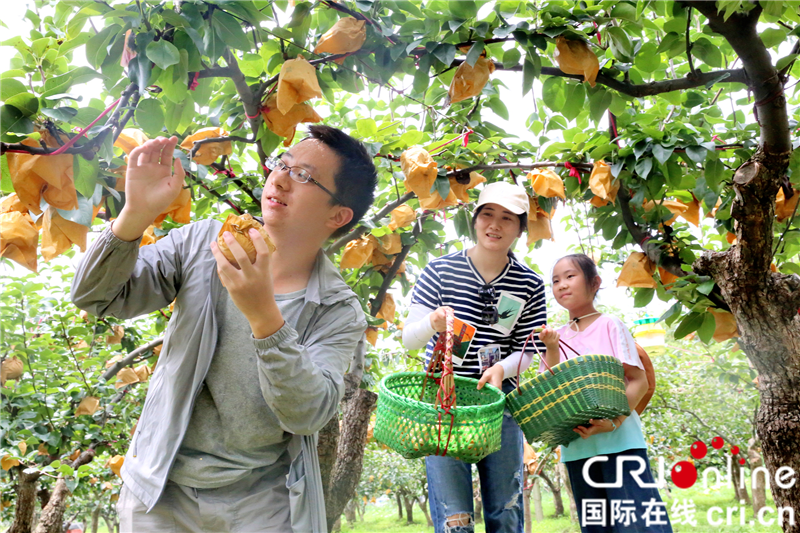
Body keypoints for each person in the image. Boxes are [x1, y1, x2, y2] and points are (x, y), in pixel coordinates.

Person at [71, 125, 378, 533]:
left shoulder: (338, 310)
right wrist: (135, 215)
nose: (281, 178)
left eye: (303, 176)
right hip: (159, 492)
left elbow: (309, 413)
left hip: (260, 503)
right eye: (282, 164)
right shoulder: (203, 244)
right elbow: (95, 296)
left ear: (337, 215)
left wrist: (265, 317)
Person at [402, 181, 547, 533]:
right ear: (475, 220)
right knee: (455, 521)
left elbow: (531, 350)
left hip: (501, 408)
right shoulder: (439, 271)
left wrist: (502, 368)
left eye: (507, 219)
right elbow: (408, 340)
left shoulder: (530, 283)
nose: (495, 225)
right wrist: (432, 322)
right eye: (487, 215)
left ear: (520, 228)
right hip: (444, 409)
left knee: (505, 513)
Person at [537, 253, 673, 533]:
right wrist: (551, 347)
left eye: (570, 276)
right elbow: (548, 391)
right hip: (578, 449)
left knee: (639, 525)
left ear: (594, 282)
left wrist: (614, 422)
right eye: (555, 280)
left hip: (621, 443)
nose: (562, 284)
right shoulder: (555, 336)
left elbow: (639, 380)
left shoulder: (610, 325)